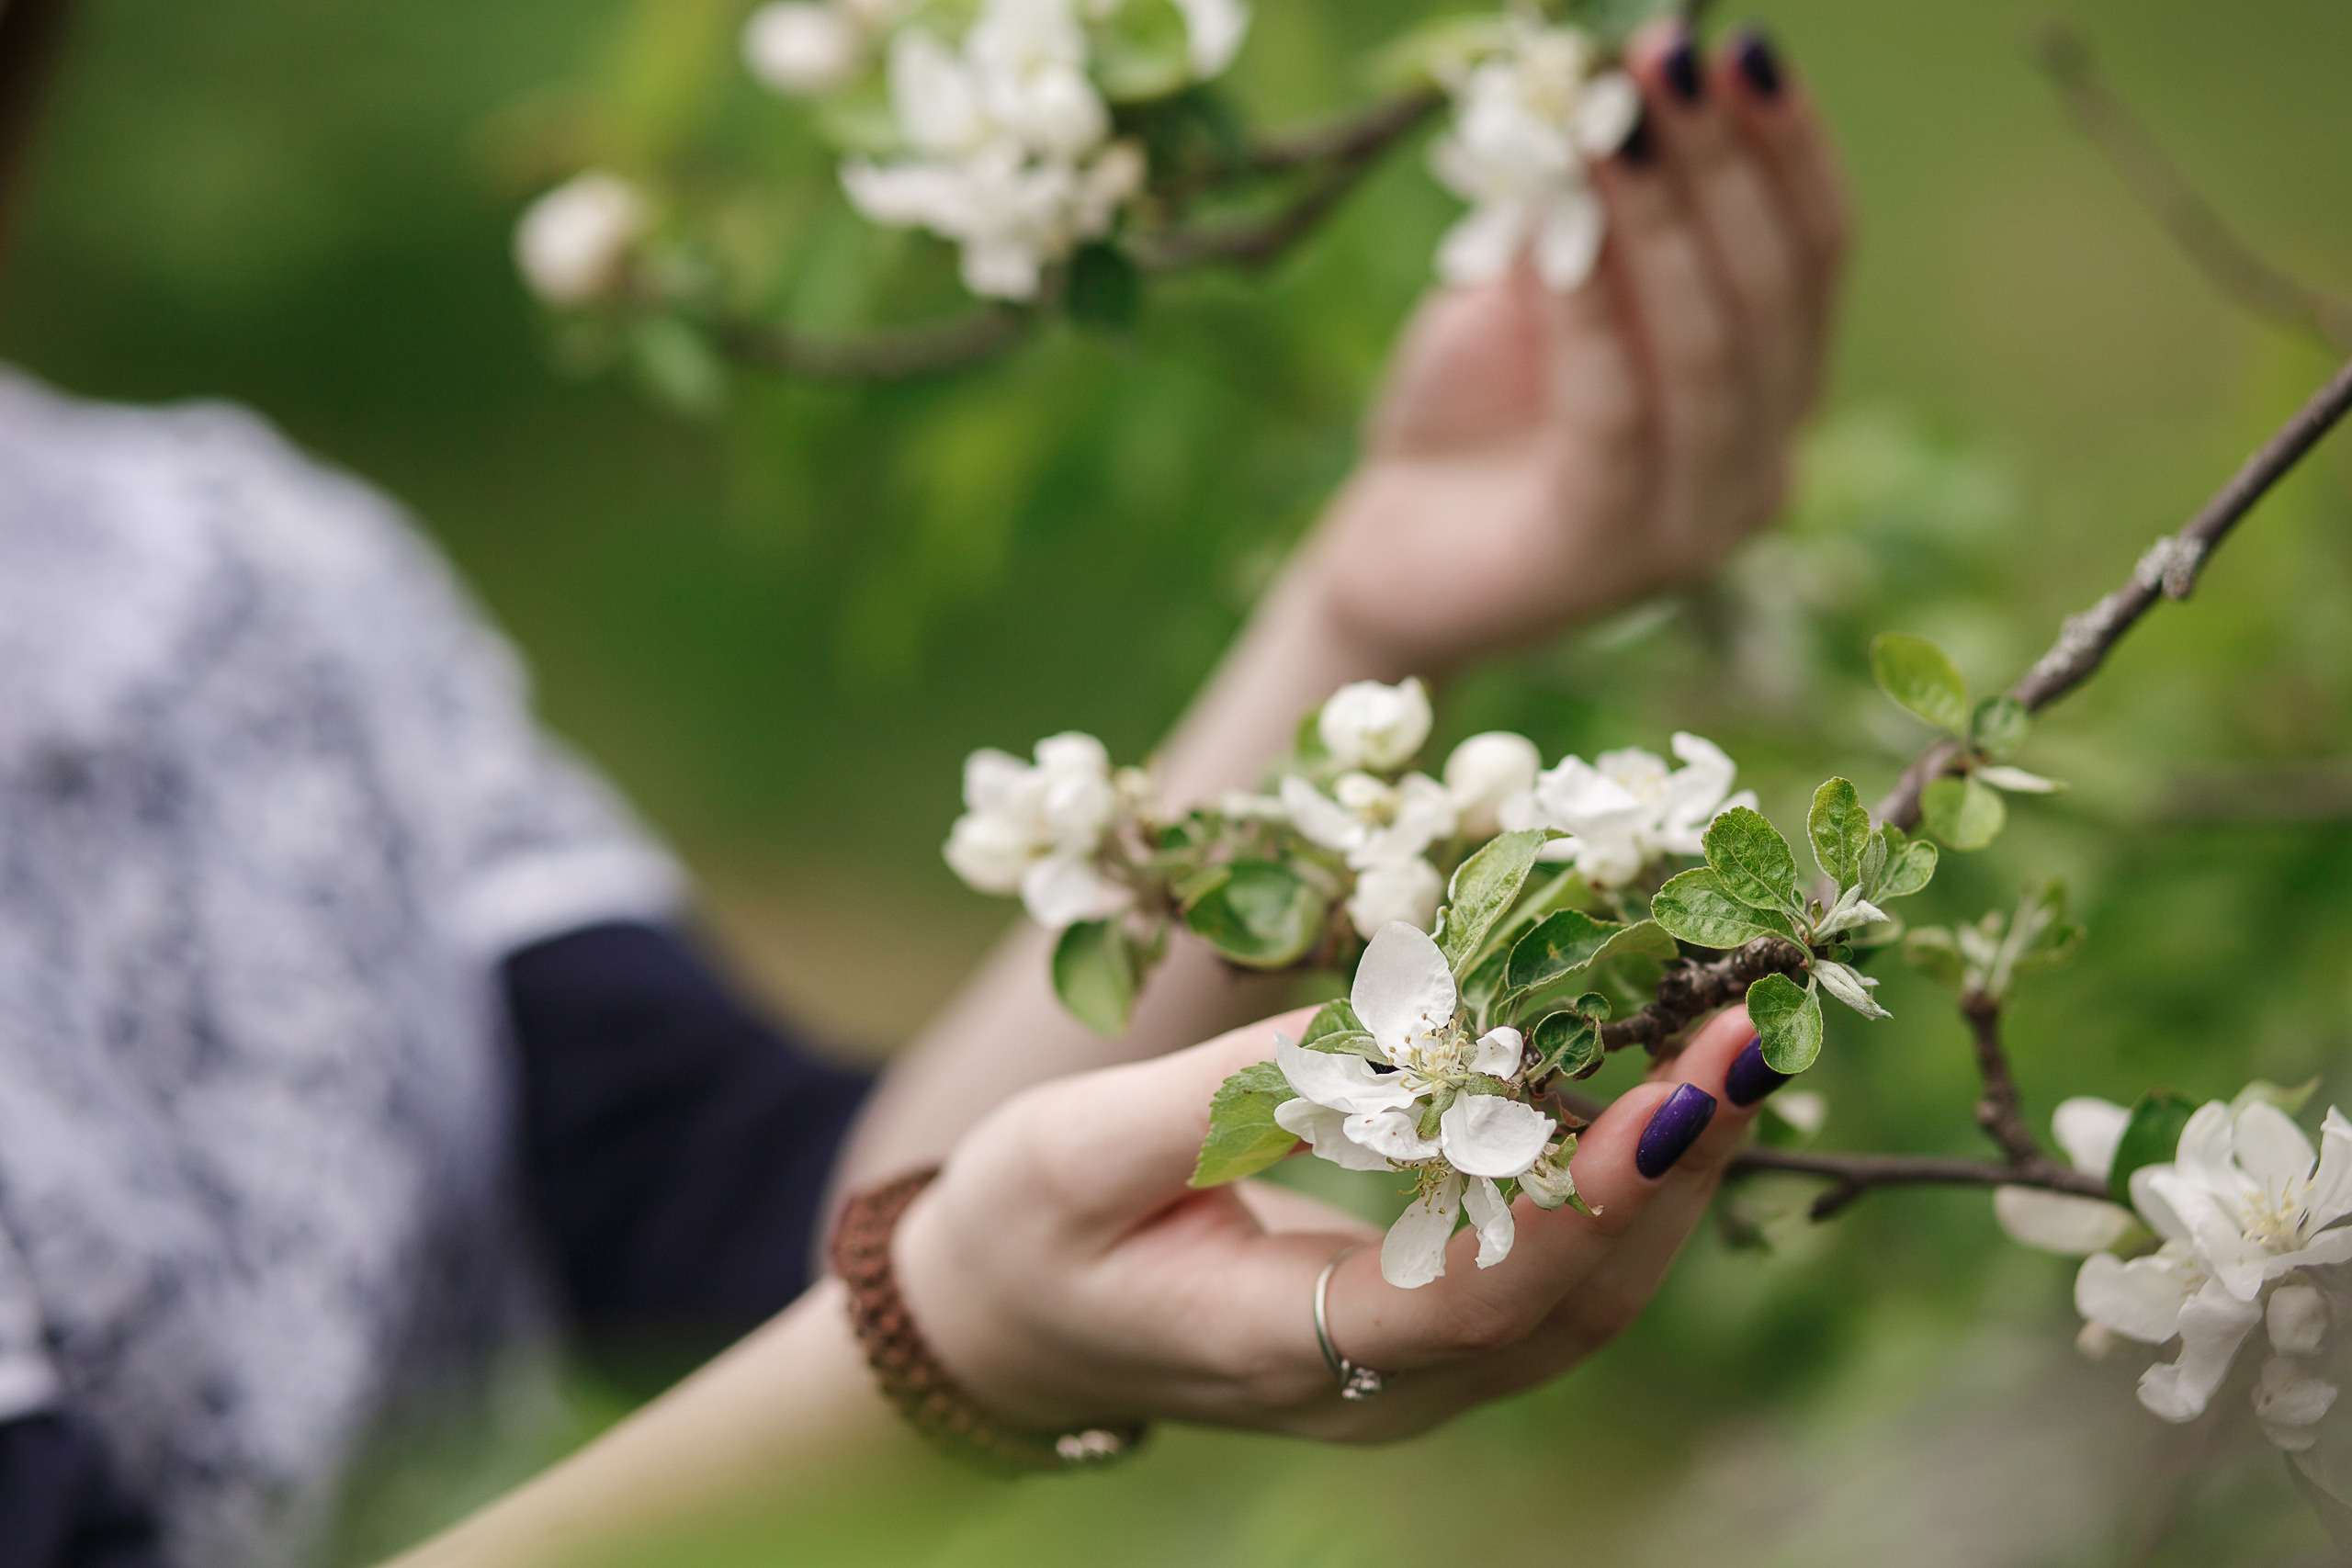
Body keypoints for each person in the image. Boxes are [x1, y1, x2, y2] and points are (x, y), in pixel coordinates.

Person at [0, 3, 1848, 1562]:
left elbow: (770, 1256)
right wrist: (935, 1358)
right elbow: (879, 1314)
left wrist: (1362, 612)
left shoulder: (233, 585)